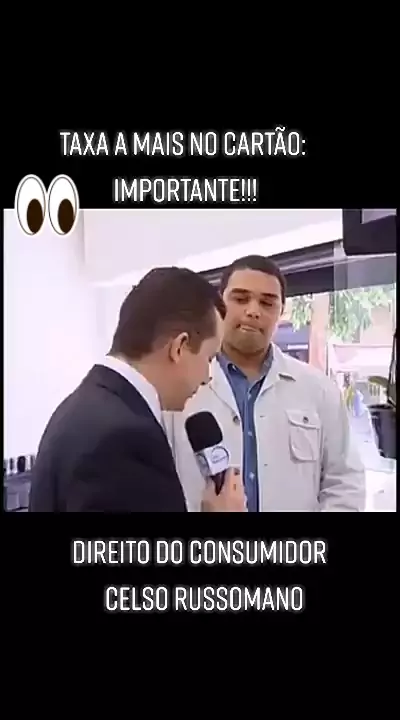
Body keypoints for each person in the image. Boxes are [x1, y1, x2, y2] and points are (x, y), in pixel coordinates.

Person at [29, 267, 247, 512]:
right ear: (180, 348)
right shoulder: (126, 439)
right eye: (209, 358)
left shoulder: (80, 408)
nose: (208, 377)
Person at [163, 256, 366, 512]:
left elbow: (345, 483)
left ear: (281, 311)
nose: (253, 311)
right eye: (240, 299)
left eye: (267, 303)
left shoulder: (318, 389)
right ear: (220, 305)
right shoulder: (181, 386)